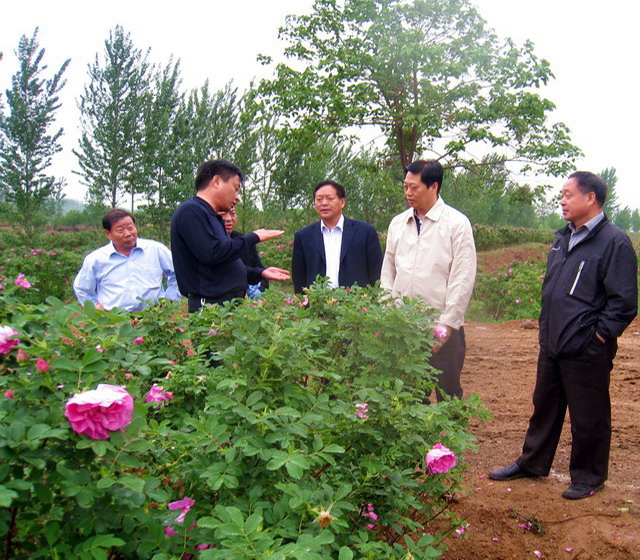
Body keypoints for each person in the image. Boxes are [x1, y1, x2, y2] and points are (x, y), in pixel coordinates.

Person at [489, 171, 637, 500]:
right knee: (544, 406)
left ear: (591, 198)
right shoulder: (562, 239)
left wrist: (598, 336)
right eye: (562, 194)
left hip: (586, 348)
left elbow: (624, 302)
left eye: (568, 194)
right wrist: (546, 330)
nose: (562, 200)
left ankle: (589, 476)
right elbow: (551, 290)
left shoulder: (614, 242)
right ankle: (532, 463)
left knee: (589, 415)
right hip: (553, 342)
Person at [380, 160, 476, 401]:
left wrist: (446, 325)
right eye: (405, 187)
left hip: (441, 326)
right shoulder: (398, 223)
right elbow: (388, 273)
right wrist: (387, 314)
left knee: (448, 393)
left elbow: (462, 278)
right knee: (409, 395)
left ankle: (451, 440)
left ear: (434, 187)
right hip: (403, 327)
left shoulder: (457, 224)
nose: (408, 193)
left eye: (414, 188)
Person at [170, 159, 290, 313]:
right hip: (210, 307)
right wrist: (254, 237)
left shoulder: (211, 216)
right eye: (236, 188)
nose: (237, 197)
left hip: (227, 304)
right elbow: (213, 253)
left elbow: (223, 263)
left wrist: (259, 273)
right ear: (217, 181)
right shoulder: (191, 211)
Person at [73, 209, 180, 312]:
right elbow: (81, 288)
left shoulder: (155, 249)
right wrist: (95, 306)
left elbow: (178, 271)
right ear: (108, 234)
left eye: (130, 228)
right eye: (120, 230)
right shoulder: (96, 259)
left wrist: (170, 298)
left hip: (153, 316)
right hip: (115, 319)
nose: (128, 234)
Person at [291, 180, 383, 294]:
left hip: (356, 304)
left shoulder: (365, 232)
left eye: (329, 198)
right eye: (319, 199)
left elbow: (376, 271)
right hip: (317, 304)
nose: (324, 203)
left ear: (343, 202)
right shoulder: (303, 236)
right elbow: (298, 275)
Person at [218, 206, 269, 299]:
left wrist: (261, 288)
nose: (229, 219)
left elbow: (258, 267)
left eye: (232, 214)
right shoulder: (212, 245)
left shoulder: (245, 240)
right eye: (223, 214)